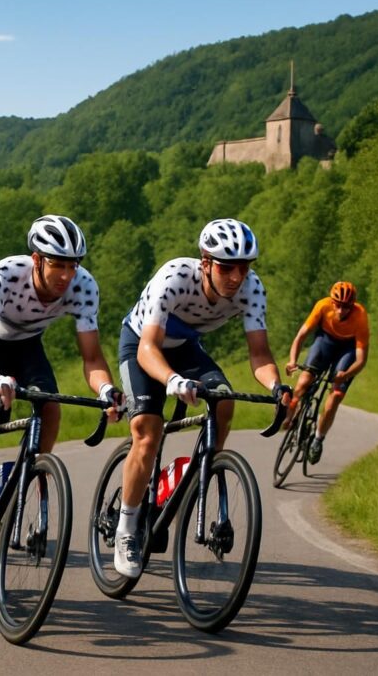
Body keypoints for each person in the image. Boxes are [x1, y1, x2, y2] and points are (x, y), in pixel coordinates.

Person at [0, 215, 123, 574]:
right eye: (58, 265)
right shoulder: (4, 275)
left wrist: (106, 388)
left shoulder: (83, 287)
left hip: (26, 346)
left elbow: (92, 357)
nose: (67, 275)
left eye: (74, 265)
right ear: (37, 260)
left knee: (51, 410)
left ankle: (27, 474)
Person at [114, 219, 290, 578]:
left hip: (185, 348)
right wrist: (173, 380)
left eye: (244, 267)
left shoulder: (252, 289)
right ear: (205, 262)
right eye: (227, 267)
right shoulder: (175, 277)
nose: (237, 277)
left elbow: (260, 354)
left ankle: (202, 470)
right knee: (148, 431)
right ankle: (126, 529)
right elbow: (149, 348)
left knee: (224, 401)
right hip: (141, 346)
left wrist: (277, 387)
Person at [284, 281, 369, 464]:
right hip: (325, 341)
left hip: (348, 349)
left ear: (352, 305)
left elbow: (361, 360)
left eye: (346, 307)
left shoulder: (360, 316)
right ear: (332, 302)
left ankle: (318, 439)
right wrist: (292, 360)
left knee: (335, 398)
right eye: (337, 305)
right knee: (304, 381)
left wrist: (344, 376)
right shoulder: (323, 306)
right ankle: (292, 412)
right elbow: (301, 336)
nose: (340, 310)